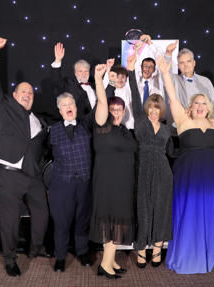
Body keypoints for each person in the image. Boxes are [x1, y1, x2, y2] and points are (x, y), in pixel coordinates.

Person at [0, 38, 49, 277]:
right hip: (9, 176)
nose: (27, 95)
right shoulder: (3, 109)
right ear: (13, 94)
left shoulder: (38, 120)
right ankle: (10, 259)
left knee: (42, 215)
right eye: (23, 91)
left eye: (31, 93)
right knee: (10, 222)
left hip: (33, 176)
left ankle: (36, 248)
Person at [157, 56, 214, 274]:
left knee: (209, 217)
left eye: (204, 103)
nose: (200, 106)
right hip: (188, 178)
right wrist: (166, 72)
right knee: (187, 215)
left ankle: (204, 259)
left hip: (212, 178)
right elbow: (173, 97)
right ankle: (184, 259)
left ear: (209, 106)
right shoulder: (183, 121)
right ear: (191, 106)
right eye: (197, 103)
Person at [89, 64, 137, 279]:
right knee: (110, 219)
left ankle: (111, 260)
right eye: (113, 108)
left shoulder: (123, 130)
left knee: (118, 219)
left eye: (120, 109)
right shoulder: (102, 125)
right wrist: (99, 79)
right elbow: (101, 100)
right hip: (107, 183)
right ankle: (105, 265)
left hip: (123, 183)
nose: (116, 112)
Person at [127, 54, 173, 268]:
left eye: (157, 108)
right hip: (143, 170)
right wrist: (129, 70)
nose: (154, 111)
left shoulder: (166, 129)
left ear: (161, 110)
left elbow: (171, 153)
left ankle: (157, 247)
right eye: (151, 107)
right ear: (147, 108)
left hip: (164, 173)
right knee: (144, 209)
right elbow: (136, 96)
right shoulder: (140, 120)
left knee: (161, 209)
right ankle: (142, 248)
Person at [49, 93, 93, 272]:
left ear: (76, 108)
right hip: (61, 185)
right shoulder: (52, 130)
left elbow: (100, 108)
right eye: (64, 105)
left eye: (71, 104)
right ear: (60, 110)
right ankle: (60, 256)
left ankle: (82, 251)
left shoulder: (86, 125)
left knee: (82, 220)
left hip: (84, 183)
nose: (69, 107)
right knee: (61, 222)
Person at [172, 48, 214, 118]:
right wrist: (168, 54)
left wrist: (213, 123)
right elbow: (164, 74)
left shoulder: (205, 81)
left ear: (194, 63)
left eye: (188, 61)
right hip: (181, 124)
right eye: (182, 62)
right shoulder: (174, 80)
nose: (185, 65)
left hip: (203, 124)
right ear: (178, 66)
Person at [51, 42, 96, 120]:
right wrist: (58, 60)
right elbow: (57, 81)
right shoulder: (69, 83)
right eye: (80, 71)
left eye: (86, 71)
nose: (84, 74)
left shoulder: (94, 85)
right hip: (78, 125)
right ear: (75, 73)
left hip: (96, 125)